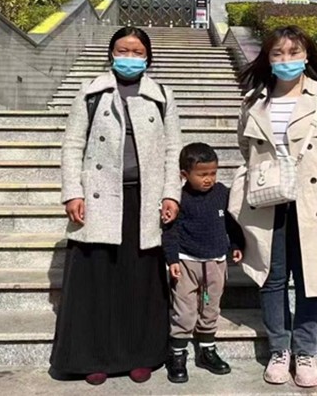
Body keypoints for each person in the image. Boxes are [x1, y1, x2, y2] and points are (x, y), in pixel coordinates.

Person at [49, 27, 182, 386]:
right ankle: (92, 358)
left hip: (144, 199)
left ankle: (140, 356)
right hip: (98, 198)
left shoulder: (162, 95)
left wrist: (171, 194)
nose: (130, 57)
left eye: (137, 51)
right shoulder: (91, 91)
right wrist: (72, 192)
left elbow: (173, 149)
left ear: (148, 57)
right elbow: (72, 144)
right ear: (110, 53)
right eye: (123, 50)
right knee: (96, 280)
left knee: (139, 281)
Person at [230, 25, 317, 388]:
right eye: (278, 53)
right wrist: (271, 178)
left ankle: (306, 351)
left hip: (314, 201)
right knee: (272, 277)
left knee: (312, 278)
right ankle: (279, 349)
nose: (286, 60)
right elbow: (245, 148)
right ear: (267, 59)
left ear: (307, 56)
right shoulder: (253, 100)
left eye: (294, 52)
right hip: (269, 201)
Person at [162, 143, 246, 384]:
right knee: (184, 310)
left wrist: (236, 245)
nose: (208, 179)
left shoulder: (221, 193)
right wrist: (172, 259)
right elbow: (170, 231)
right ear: (184, 174)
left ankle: (207, 350)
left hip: (215, 263)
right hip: (187, 263)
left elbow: (232, 223)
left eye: (213, 173)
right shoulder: (179, 198)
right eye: (202, 174)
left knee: (211, 307)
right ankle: (177, 354)